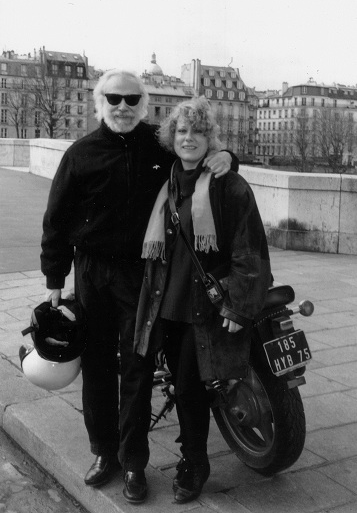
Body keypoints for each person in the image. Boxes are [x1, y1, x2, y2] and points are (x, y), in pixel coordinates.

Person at [40, 70, 237, 504]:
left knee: (137, 366)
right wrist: (55, 279)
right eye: (114, 98)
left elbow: (196, 151)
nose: (123, 106)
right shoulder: (80, 153)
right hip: (91, 271)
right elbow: (56, 220)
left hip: (141, 273)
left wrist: (229, 158)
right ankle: (104, 453)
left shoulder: (158, 144)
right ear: (100, 102)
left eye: (132, 99)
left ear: (143, 103)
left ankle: (133, 462)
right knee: (96, 366)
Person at [134, 96, 271, 503]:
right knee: (179, 383)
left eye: (197, 131)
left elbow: (251, 251)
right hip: (168, 301)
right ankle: (190, 455)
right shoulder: (168, 182)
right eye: (181, 131)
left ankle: (195, 463)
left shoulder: (229, 185)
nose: (188, 138)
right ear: (170, 137)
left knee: (192, 388)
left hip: (208, 305)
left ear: (210, 138)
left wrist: (239, 305)